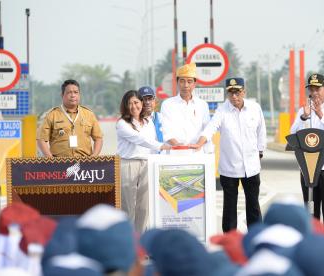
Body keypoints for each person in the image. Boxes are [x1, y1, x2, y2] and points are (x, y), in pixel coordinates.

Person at [192, 77, 266, 232]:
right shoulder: (222, 110)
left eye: (237, 92)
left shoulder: (254, 108)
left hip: (251, 166)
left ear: (244, 92)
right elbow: (211, 127)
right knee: (230, 207)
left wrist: (260, 151)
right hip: (229, 167)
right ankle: (229, 240)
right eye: (231, 93)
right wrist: (200, 142)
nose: (234, 96)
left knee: (253, 204)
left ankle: (256, 236)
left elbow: (261, 131)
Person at [290, 73, 324, 228]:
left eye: (317, 89)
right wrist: (304, 117)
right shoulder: (303, 111)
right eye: (311, 89)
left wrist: (321, 114)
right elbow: (292, 134)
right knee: (310, 211)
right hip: (308, 167)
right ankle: (311, 243)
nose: (314, 93)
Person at [116, 90, 171, 233]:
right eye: (130, 103)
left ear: (141, 103)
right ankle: (127, 243)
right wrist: (161, 146)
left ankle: (140, 245)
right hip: (128, 164)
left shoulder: (148, 122)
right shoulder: (122, 123)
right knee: (128, 207)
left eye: (136, 102)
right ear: (125, 106)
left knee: (144, 207)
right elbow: (140, 139)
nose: (134, 106)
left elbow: (152, 142)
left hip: (147, 164)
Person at [37, 79, 103, 157]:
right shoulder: (52, 115)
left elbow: (98, 138)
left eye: (76, 92)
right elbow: (41, 139)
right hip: (60, 163)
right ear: (62, 95)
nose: (73, 95)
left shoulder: (89, 114)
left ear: (79, 94)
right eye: (69, 92)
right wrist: (51, 159)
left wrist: (94, 156)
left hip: (85, 163)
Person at [160, 62, 213, 151]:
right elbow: (165, 130)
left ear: (194, 83)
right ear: (177, 82)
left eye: (189, 81)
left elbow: (207, 129)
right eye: (182, 81)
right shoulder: (167, 104)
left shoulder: (202, 105)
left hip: (197, 153)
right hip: (175, 153)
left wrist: (198, 144)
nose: (186, 85)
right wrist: (177, 145)